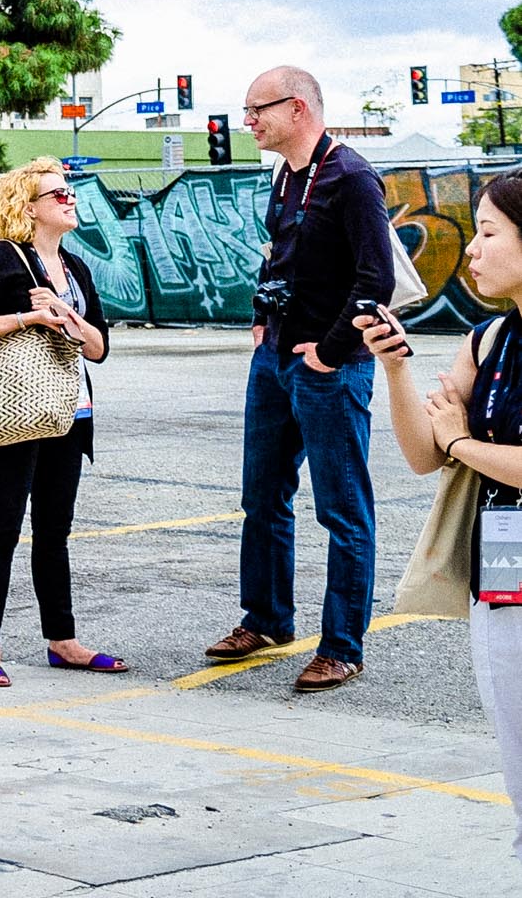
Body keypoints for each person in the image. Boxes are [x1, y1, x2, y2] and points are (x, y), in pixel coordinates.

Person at [353, 170, 522, 868]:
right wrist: (392, 369)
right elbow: (424, 457)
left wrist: (461, 442)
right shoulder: (486, 340)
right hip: (505, 577)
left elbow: (449, 446)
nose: (471, 253)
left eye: (486, 234)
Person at [205, 65, 393, 692]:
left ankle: (342, 645)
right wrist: (262, 321)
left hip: (328, 369)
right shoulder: (286, 175)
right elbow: (279, 256)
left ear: (299, 109)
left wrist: (331, 352)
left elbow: (376, 281)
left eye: (257, 109)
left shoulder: (352, 177)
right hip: (275, 359)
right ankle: (266, 620)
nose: (248, 121)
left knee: (343, 510)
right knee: (262, 497)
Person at [0, 159, 121, 685]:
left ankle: (62, 641)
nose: (69, 200)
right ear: (27, 208)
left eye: (69, 193)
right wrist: (29, 316)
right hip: (14, 413)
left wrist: (67, 317)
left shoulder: (75, 267)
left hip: (68, 411)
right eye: (58, 194)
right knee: (2, 527)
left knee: (54, 532)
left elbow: (99, 348)